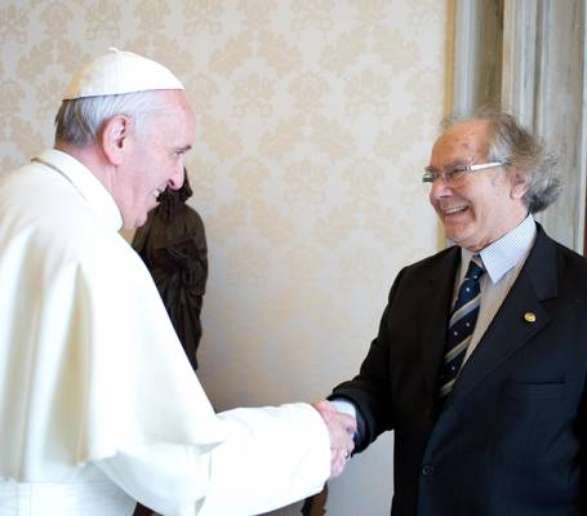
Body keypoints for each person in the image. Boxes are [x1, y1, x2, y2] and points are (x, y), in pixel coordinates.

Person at [0, 49, 354, 516]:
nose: (176, 178)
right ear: (119, 136)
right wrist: (311, 435)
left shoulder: (17, 200)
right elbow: (184, 474)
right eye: (176, 152)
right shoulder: (94, 254)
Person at [330, 111, 587, 515]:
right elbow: (379, 387)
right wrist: (338, 419)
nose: (437, 192)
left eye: (456, 172)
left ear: (519, 179)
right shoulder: (414, 284)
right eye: (432, 176)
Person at [132, 170, 208, 370]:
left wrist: (184, 261)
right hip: (153, 294)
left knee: (180, 350)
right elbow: (134, 260)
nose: (171, 191)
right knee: (151, 350)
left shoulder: (192, 220)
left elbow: (200, 268)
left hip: (181, 300)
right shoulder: (149, 218)